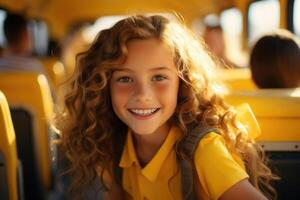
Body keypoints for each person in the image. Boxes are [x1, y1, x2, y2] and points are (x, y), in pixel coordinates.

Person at [54, 15, 277, 200]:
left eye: (159, 77)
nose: (143, 95)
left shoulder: (204, 151)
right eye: (124, 79)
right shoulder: (114, 143)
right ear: (103, 87)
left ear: (183, 83)